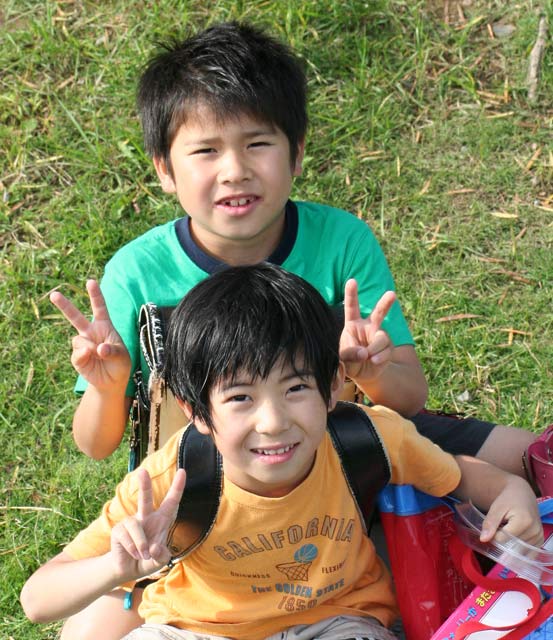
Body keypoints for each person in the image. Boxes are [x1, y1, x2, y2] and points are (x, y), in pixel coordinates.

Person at [47, 20, 539, 639]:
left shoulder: (342, 241)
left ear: (297, 153)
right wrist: (106, 385)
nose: (235, 170)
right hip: (205, 480)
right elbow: (96, 445)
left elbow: (409, 402)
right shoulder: (136, 274)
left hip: (350, 441)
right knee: (84, 632)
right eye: (206, 151)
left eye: (258, 143)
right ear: (164, 169)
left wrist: (372, 373)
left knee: (530, 458)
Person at [23, 264, 543, 640]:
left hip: (339, 621)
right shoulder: (171, 481)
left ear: (333, 386)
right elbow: (37, 599)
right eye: (240, 398)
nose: (273, 422)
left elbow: (467, 477)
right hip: (193, 628)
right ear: (196, 412)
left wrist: (513, 491)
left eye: (295, 388)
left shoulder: (369, 438)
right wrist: (113, 570)